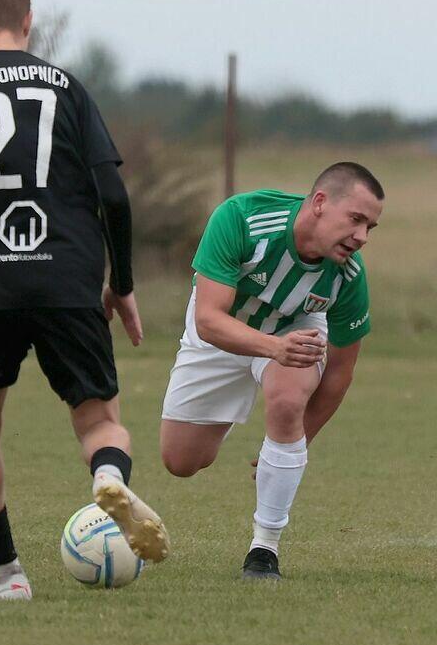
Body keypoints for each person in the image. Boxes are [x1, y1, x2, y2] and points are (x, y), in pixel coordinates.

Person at [0, 0, 169, 601]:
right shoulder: (68, 88)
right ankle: (108, 476)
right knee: (99, 421)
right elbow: (112, 192)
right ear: (29, 23)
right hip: (67, 274)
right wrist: (121, 281)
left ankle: (7, 576)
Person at [160, 163, 383, 580]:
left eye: (370, 226)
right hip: (223, 328)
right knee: (181, 461)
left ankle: (264, 551)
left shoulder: (348, 275)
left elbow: (339, 373)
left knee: (287, 399)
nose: (362, 237)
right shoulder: (242, 218)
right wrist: (273, 348)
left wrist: (299, 438)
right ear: (320, 203)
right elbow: (208, 320)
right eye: (355, 219)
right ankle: (226, 415)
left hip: (295, 329)